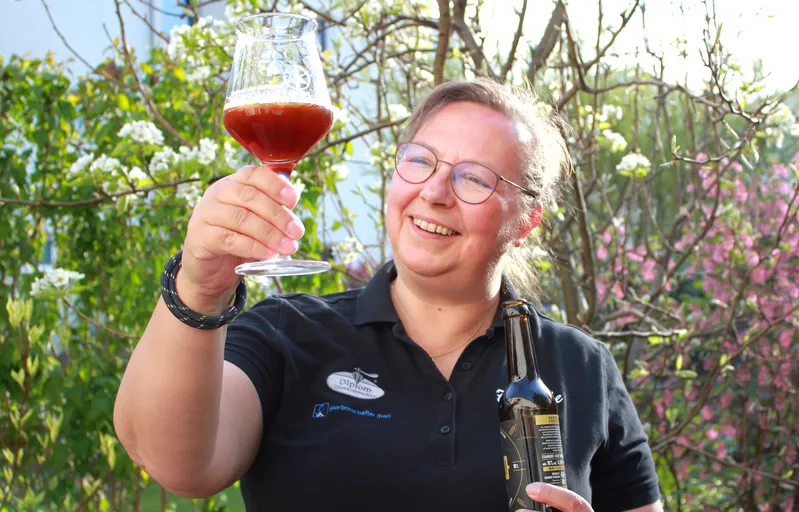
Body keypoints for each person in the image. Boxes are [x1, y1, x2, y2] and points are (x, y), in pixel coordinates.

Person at [113, 77, 663, 512]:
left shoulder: (582, 368)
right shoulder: (287, 333)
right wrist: (201, 287)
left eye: (474, 178)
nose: (434, 192)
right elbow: (178, 464)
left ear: (525, 221)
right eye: (421, 160)